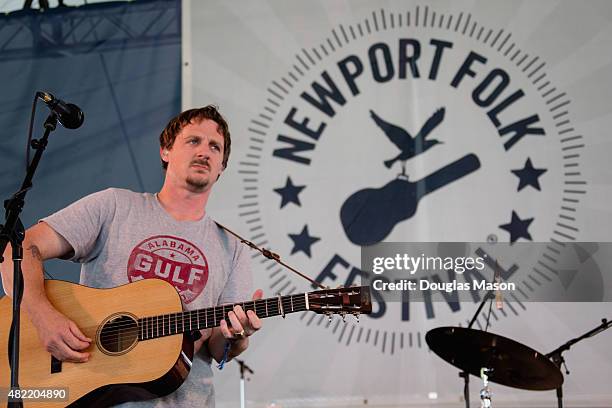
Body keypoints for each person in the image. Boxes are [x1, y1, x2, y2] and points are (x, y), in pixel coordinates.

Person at [0, 106, 261, 407]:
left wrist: (236, 336)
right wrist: (42, 314)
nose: (205, 152)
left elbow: (219, 348)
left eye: (215, 147)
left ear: (221, 167)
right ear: (166, 150)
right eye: (193, 141)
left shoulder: (234, 247)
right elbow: (18, 250)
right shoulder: (113, 207)